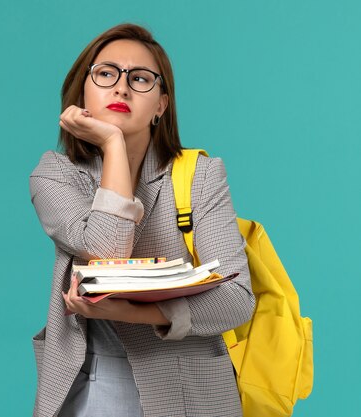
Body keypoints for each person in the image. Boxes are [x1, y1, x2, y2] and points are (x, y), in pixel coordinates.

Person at [29, 23, 255, 417]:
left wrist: (137, 313)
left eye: (140, 79)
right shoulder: (55, 174)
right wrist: (114, 144)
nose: (121, 88)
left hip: (190, 392)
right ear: (84, 91)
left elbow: (237, 302)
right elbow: (107, 250)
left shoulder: (202, 175)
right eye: (105, 74)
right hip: (90, 387)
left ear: (161, 105)